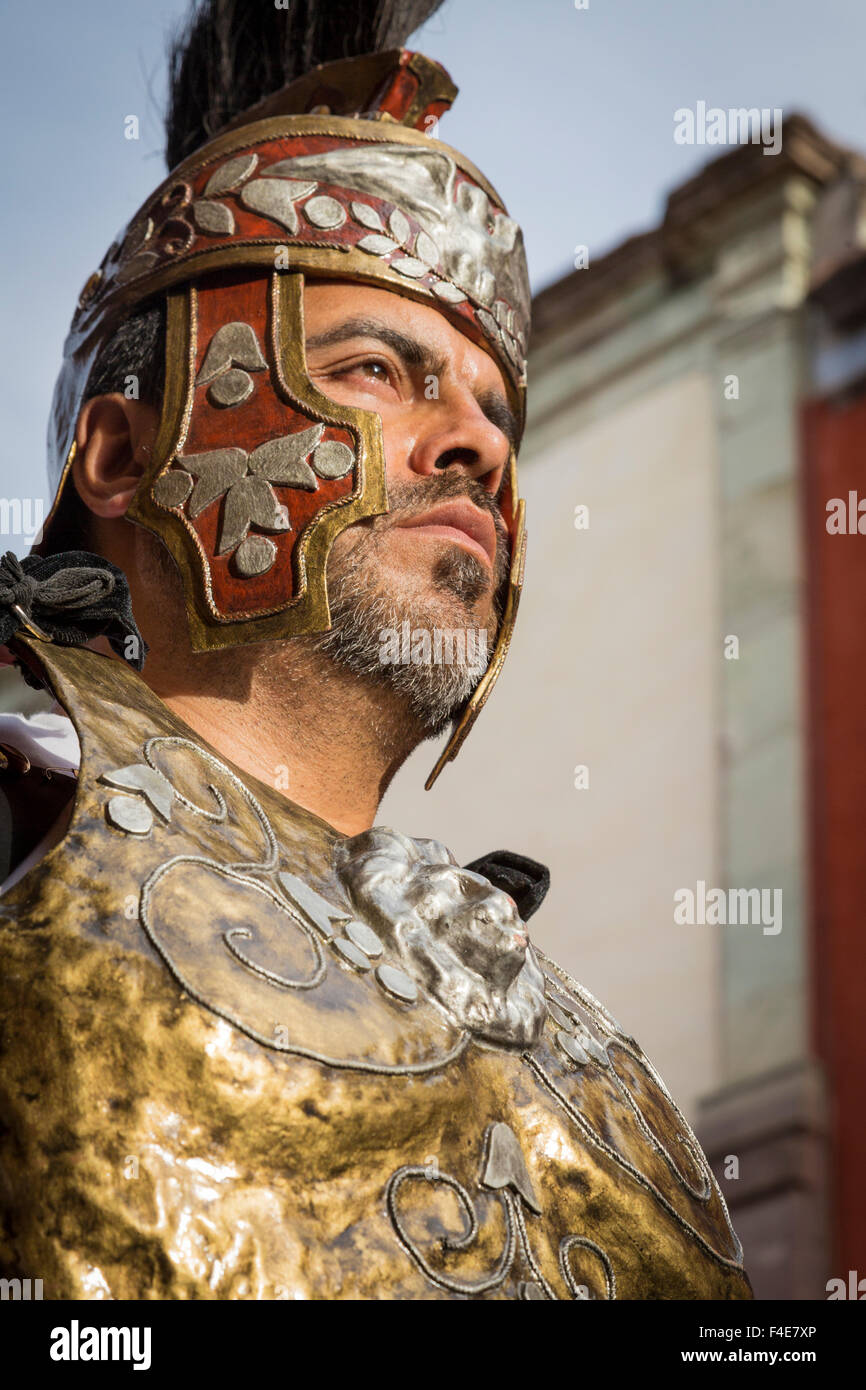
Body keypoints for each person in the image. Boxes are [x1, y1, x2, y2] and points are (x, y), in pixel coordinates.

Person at [0, 0, 751, 1300]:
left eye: (489, 406)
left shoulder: (592, 1061)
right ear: (121, 455)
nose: (476, 442)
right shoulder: (19, 822)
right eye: (373, 369)